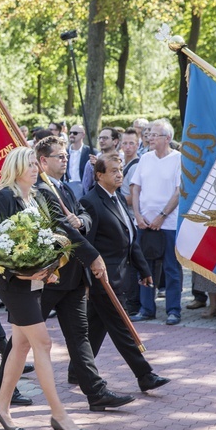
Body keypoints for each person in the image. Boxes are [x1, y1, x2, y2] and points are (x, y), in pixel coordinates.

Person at [0, 147, 90, 430]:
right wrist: (17, 271)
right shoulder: (4, 197)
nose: (35, 168)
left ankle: (1, 407)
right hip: (11, 282)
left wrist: (51, 265)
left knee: (20, 346)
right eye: (29, 164)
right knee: (42, 343)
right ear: (16, 168)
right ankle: (59, 414)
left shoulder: (38, 196)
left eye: (35, 164)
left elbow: (50, 237)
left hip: (34, 281)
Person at [34, 137, 135, 412]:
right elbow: (62, 229)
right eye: (59, 156)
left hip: (73, 279)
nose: (65, 160)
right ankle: (1, 384)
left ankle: (96, 392)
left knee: (79, 336)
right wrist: (93, 256)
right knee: (24, 335)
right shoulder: (42, 191)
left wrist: (81, 221)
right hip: (51, 277)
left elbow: (82, 218)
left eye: (66, 156)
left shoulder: (64, 188)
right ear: (44, 161)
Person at [80, 154, 171, 393]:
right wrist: (89, 279)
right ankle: (144, 375)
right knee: (121, 326)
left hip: (122, 274)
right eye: (114, 171)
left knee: (97, 326)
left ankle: (76, 368)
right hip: (104, 278)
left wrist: (143, 269)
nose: (120, 174)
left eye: (120, 170)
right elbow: (86, 244)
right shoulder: (91, 202)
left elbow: (131, 239)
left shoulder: (118, 197)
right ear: (99, 175)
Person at [131, 119, 182, 325]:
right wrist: (138, 215)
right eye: (149, 134)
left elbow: (179, 191)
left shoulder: (178, 159)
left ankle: (173, 310)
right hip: (144, 223)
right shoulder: (145, 159)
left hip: (168, 223)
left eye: (154, 135)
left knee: (171, 268)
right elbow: (135, 188)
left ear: (167, 138)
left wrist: (162, 216)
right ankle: (146, 309)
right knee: (145, 267)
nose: (149, 138)